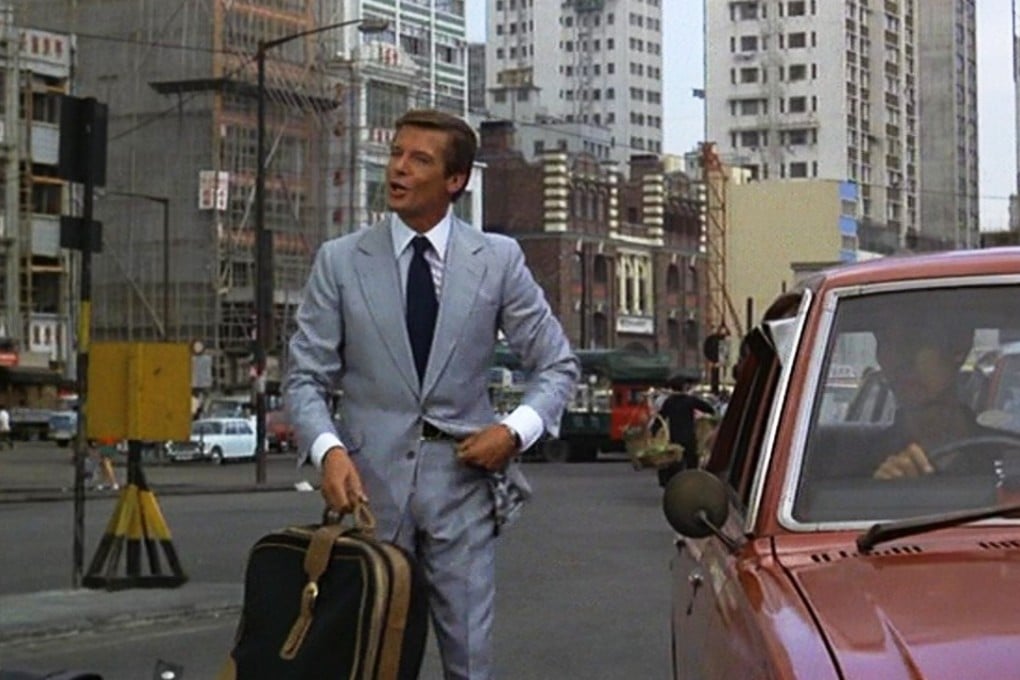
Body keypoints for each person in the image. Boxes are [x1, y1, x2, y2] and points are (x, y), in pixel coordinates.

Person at [284, 109, 579, 679]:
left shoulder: (497, 260)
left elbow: (556, 364)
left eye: (418, 159)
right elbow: (305, 378)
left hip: (462, 489)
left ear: (455, 180)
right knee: (373, 660)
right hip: (370, 494)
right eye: (396, 153)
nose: (398, 168)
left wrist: (513, 432)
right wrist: (329, 451)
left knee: (468, 661)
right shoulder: (341, 261)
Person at [869, 318, 980, 480]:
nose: (899, 360)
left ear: (960, 348)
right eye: (886, 342)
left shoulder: (1008, 453)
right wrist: (879, 493)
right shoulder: (854, 464)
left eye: (914, 341)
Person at [653, 380, 717, 487]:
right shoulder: (690, 400)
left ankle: (674, 483)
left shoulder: (669, 401)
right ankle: (694, 482)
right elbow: (709, 409)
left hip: (675, 438)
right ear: (684, 387)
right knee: (692, 461)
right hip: (689, 437)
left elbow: (660, 418)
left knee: (674, 462)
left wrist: (654, 431)